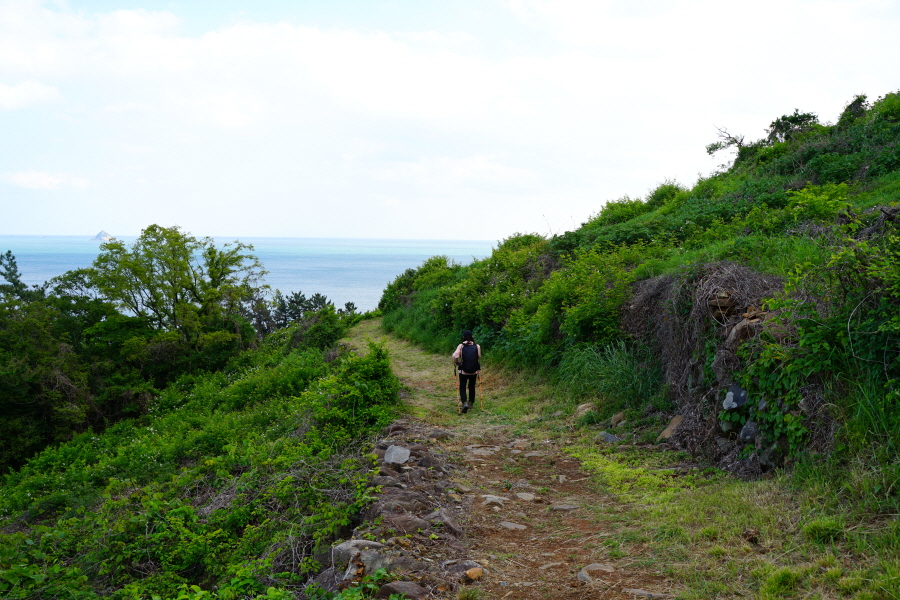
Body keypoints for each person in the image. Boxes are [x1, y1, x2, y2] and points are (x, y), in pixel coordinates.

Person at [452, 330, 481, 413]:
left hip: (463, 371)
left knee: (462, 386)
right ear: (471, 336)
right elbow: (479, 356)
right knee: (472, 386)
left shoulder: (461, 346)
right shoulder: (477, 346)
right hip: (474, 371)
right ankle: (471, 402)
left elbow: (455, 356)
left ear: (463, 337)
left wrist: (457, 362)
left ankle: (464, 402)